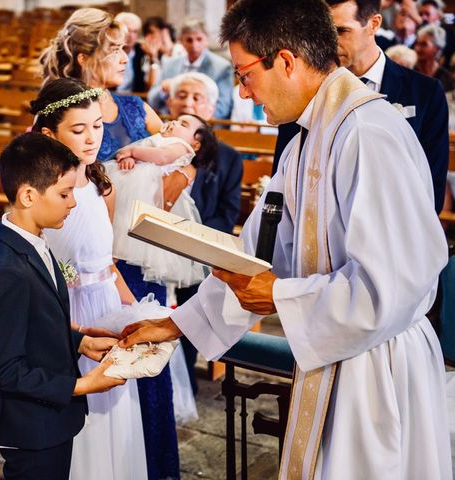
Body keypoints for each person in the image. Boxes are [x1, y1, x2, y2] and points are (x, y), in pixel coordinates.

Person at [120, 0, 452, 478]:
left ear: (286, 61)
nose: (244, 91)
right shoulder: (304, 140)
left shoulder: (369, 132)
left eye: (245, 73)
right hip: (333, 354)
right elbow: (254, 255)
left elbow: (391, 289)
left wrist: (278, 295)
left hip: (378, 370)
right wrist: (175, 326)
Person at [41, 9, 182, 478]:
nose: (125, 57)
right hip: (78, 274)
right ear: (85, 56)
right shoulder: (58, 115)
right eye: (115, 48)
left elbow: (186, 153)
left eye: (126, 48)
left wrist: (165, 174)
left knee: (139, 382)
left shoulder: (134, 109)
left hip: (130, 258)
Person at [0, 133, 125, 480]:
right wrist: (82, 386)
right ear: (28, 195)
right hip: (31, 427)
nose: (73, 203)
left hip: (51, 421)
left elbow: (38, 325)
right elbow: (4, 369)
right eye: (64, 193)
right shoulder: (6, 272)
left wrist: (81, 343)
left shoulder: (36, 244)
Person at [29, 77, 147, 480]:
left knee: (113, 411)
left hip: (105, 308)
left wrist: (135, 312)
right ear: (48, 134)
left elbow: (107, 263)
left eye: (97, 126)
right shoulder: (40, 194)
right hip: (67, 316)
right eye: (78, 130)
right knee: (78, 420)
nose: (92, 138)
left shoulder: (101, 184)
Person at [273, 0, 449, 215]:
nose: (331, 42)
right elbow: (283, 178)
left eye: (341, 31)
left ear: (373, 24)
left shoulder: (425, 92)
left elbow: (432, 185)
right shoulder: (304, 90)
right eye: (324, 32)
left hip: (395, 227)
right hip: (315, 232)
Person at [165, 72, 244, 393]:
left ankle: (183, 383)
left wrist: (187, 239)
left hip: (196, 252)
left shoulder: (228, 158)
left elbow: (226, 215)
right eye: (182, 95)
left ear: (212, 108)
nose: (189, 102)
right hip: (150, 247)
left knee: (189, 311)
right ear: (170, 103)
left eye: (197, 98)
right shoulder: (152, 148)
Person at [105, 113, 217, 287]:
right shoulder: (159, 139)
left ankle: (115, 256)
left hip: (147, 193)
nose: (175, 123)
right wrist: (128, 157)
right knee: (117, 218)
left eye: (184, 124)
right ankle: (111, 254)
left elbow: (162, 157)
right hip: (129, 184)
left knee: (126, 221)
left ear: (195, 144)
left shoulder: (181, 146)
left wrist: (133, 152)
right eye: (177, 120)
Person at [147, 17, 234, 120]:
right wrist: (162, 90)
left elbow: (223, 108)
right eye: (189, 40)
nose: (194, 45)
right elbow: (151, 100)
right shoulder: (170, 63)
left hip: (206, 124)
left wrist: (191, 118)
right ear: (181, 41)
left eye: (199, 39)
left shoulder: (222, 67)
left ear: (207, 40)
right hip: (171, 120)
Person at [414, 24, 455, 91]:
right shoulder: (409, 71)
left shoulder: (447, 78)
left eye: (424, 44)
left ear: (437, 49)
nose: (417, 49)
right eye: (417, 44)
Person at [115, 12, 142, 93]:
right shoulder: (109, 52)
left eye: (135, 31)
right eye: (128, 31)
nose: (131, 36)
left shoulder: (142, 53)